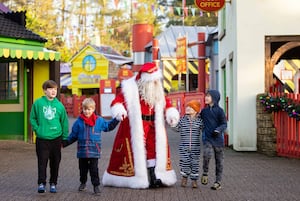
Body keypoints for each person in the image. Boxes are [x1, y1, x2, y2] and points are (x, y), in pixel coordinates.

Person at [102, 62, 180, 189]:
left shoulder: (158, 92)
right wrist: (119, 110)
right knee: (135, 151)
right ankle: (138, 178)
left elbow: (168, 104)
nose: (155, 84)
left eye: (156, 81)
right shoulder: (130, 90)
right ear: (144, 82)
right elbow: (116, 102)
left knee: (153, 150)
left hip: (154, 126)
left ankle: (154, 176)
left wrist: (171, 114)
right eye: (152, 81)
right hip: (136, 126)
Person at [62, 98, 119, 194]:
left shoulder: (99, 121)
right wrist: (65, 143)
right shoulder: (78, 122)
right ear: (82, 109)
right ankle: (83, 182)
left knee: (94, 170)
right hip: (82, 151)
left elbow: (109, 126)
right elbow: (73, 136)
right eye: (85, 109)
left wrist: (117, 119)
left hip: (94, 151)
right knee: (82, 170)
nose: (87, 111)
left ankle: (96, 186)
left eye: (89, 109)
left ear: (93, 109)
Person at [30, 80, 69, 193]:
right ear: (44, 90)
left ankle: (53, 183)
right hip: (42, 139)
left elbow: (64, 122)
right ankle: (41, 183)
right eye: (51, 89)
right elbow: (32, 118)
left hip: (56, 139)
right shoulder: (38, 103)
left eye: (55, 89)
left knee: (55, 163)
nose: (53, 91)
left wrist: (64, 138)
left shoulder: (59, 106)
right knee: (42, 162)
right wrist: (38, 130)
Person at [200, 89, 227, 190]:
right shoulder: (204, 111)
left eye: (208, 96)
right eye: (205, 96)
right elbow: (199, 121)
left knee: (219, 161)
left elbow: (224, 124)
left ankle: (218, 182)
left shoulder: (220, 111)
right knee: (207, 154)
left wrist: (218, 130)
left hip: (218, 140)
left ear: (214, 98)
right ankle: (205, 173)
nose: (206, 98)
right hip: (207, 138)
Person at [175, 100, 204, 188]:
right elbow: (176, 128)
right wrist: (172, 123)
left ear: (196, 110)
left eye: (190, 107)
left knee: (195, 163)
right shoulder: (182, 120)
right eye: (187, 107)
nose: (187, 108)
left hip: (195, 148)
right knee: (185, 163)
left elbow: (205, 130)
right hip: (184, 147)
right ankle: (184, 178)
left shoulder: (199, 121)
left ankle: (194, 180)